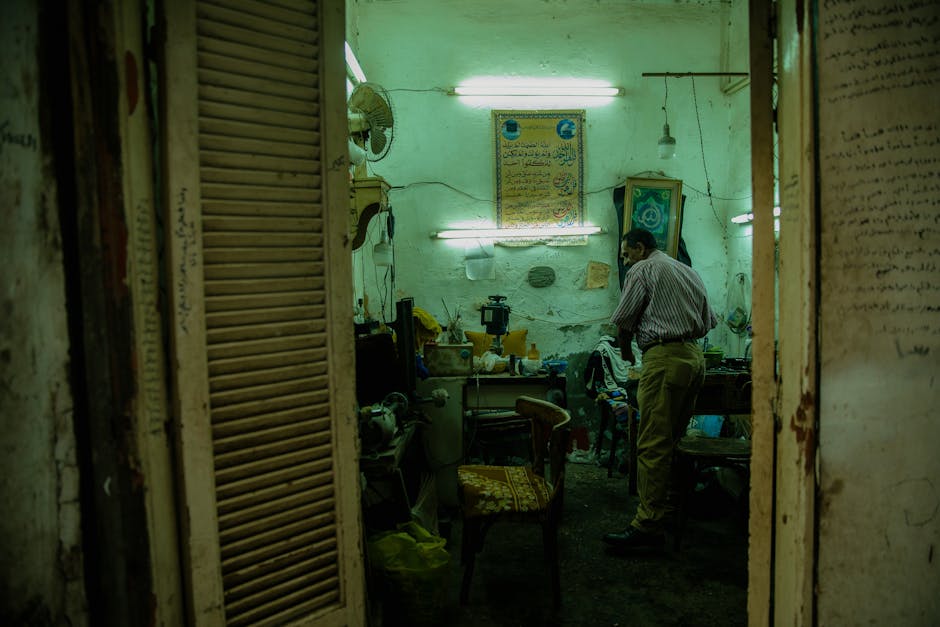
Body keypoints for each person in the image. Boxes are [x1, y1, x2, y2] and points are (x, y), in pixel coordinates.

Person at [603, 228, 718, 550]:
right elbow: (709, 320)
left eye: (626, 254)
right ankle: (666, 510)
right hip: (694, 358)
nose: (625, 261)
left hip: (665, 358)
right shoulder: (687, 271)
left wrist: (626, 351)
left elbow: (624, 319)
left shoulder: (643, 269)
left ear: (640, 248)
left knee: (652, 443)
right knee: (672, 442)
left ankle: (647, 527)